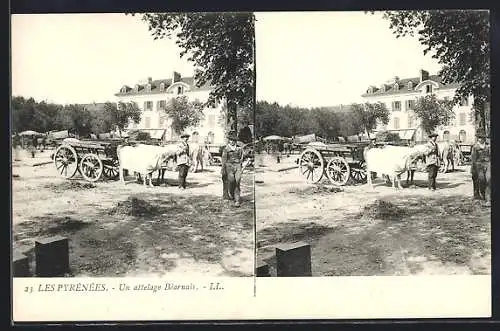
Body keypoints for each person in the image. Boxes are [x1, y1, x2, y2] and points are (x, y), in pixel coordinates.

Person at [221, 131, 243, 207]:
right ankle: (231, 194)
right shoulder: (226, 149)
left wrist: (239, 165)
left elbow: (241, 157)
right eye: (231, 140)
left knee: (237, 181)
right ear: (229, 140)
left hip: (237, 166)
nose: (232, 141)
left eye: (234, 140)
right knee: (231, 180)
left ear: (236, 141)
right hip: (229, 166)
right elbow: (224, 160)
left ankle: (237, 200)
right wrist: (223, 169)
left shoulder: (239, 148)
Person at [471, 131, 490, 203]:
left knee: (488, 180)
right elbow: (473, 158)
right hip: (478, 166)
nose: (480, 139)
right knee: (481, 180)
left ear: (484, 138)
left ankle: (487, 197)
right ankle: (481, 194)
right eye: (479, 138)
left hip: (487, 165)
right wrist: (473, 168)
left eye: (482, 138)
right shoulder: (475, 147)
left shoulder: (488, 146)